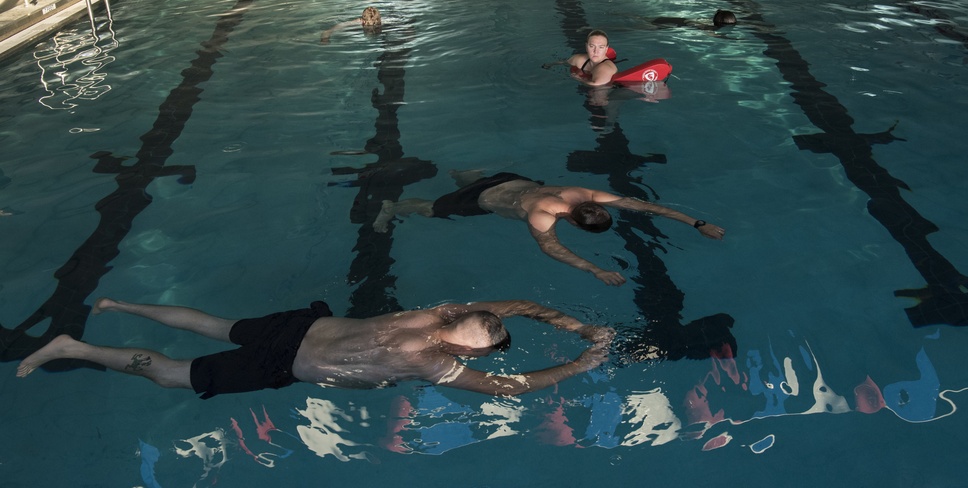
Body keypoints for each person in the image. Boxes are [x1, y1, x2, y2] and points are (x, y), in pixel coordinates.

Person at [16, 297, 613, 398]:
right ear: (473, 349)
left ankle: (120, 306)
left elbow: (517, 307)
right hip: (285, 362)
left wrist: (573, 325)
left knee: (214, 324)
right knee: (172, 375)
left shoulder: (441, 311)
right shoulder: (433, 361)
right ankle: (75, 346)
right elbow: (513, 386)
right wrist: (581, 362)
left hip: (296, 327)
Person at [374, 170, 726, 286]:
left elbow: (646, 207)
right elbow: (551, 248)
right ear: (573, 220)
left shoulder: (584, 194)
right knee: (432, 210)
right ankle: (394, 206)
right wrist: (596, 270)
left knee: (476, 180)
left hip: (511, 178)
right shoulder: (543, 215)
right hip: (482, 199)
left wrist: (697, 223)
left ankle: (461, 174)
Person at [650, 10, 737, 31]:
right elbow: (713, 35)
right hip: (666, 23)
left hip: (670, 21)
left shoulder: (707, 24)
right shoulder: (707, 28)